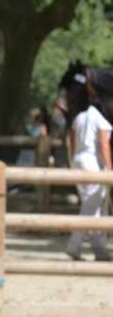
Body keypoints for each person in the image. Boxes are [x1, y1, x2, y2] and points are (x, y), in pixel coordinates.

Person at [63, 77, 111, 262]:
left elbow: (72, 141)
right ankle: (73, 245)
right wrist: (109, 168)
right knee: (91, 205)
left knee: (91, 205)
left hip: (78, 159)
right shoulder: (98, 118)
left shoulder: (78, 118)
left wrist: (73, 161)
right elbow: (104, 144)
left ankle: (99, 250)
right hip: (91, 161)